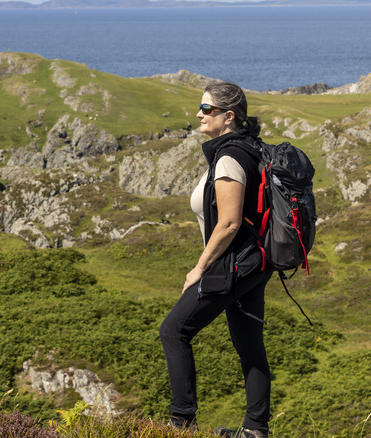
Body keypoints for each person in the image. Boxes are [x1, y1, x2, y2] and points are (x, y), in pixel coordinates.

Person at [159, 82, 273, 438]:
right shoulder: (251, 148)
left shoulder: (229, 158)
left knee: (174, 330)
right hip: (255, 262)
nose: (199, 114)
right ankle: (256, 429)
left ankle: (181, 423)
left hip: (232, 265)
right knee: (249, 343)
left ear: (228, 116)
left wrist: (199, 268)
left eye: (206, 109)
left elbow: (228, 222)